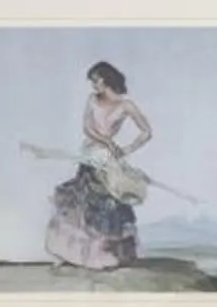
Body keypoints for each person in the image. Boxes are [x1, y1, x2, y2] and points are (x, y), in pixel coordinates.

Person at [45, 62, 154, 272]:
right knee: (82, 202)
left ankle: (106, 256)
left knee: (107, 205)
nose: (93, 85)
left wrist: (127, 149)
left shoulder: (125, 105)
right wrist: (107, 142)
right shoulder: (92, 99)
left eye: (96, 80)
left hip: (107, 160)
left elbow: (147, 132)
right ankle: (73, 254)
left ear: (107, 80)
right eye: (93, 81)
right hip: (90, 154)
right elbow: (87, 128)